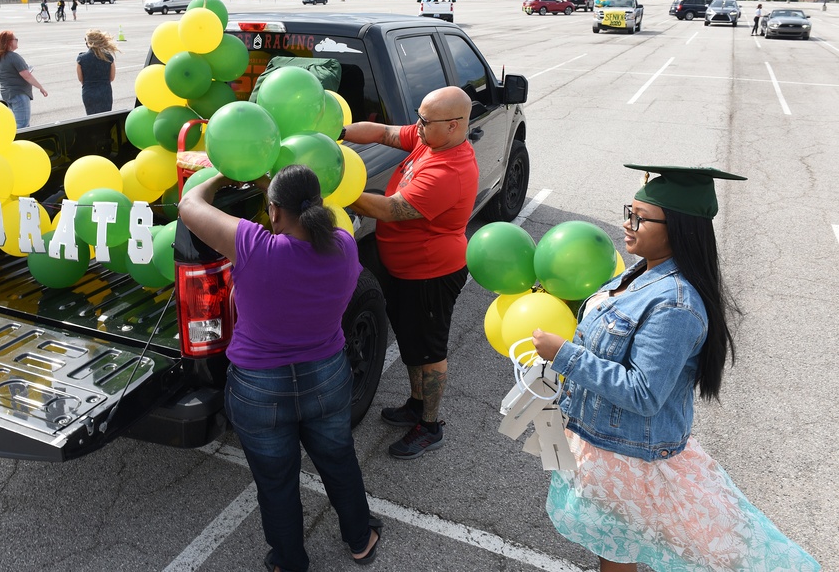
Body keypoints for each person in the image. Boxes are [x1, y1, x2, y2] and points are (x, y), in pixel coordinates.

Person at [530, 165, 820, 572]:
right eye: (627, 211)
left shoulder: (676, 304)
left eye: (638, 217)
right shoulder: (641, 270)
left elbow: (643, 394)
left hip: (630, 458)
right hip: (601, 443)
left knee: (645, 552)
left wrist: (564, 354)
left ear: (679, 228)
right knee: (614, 548)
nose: (626, 224)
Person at [177, 164, 383, 572]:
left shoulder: (254, 247)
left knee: (276, 481)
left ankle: (289, 562)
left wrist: (224, 173)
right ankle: (360, 539)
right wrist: (271, 189)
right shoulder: (344, 245)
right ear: (320, 206)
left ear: (272, 212)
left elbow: (189, 205)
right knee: (338, 458)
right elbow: (297, 212)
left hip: (259, 387)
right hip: (326, 377)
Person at [343, 85, 477, 460]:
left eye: (424, 120)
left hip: (430, 276)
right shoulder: (429, 140)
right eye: (419, 117)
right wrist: (338, 133)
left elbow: (389, 210)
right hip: (404, 270)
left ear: (453, 126)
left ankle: (429, 426)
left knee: (429, 351)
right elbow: (384, 132)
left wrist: (334, 190)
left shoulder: (450, 170)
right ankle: (416, 405)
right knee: (411, 343)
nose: (415, 126)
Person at [0, 30, 47, 128]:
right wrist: (40, 87)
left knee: (15, 124)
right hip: (18, 94)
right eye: (15, 39)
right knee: (22, 126)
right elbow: (26, 75)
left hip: (6, 95)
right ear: (9, 42)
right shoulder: (13, 57)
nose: (17, 41)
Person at [76, 29, 120, 115]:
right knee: (105, 118)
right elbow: (112, 77)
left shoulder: (81, 59)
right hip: (105, 91)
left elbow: (81, 79)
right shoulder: (108, 57)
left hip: (89, 92)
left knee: (92, 119)